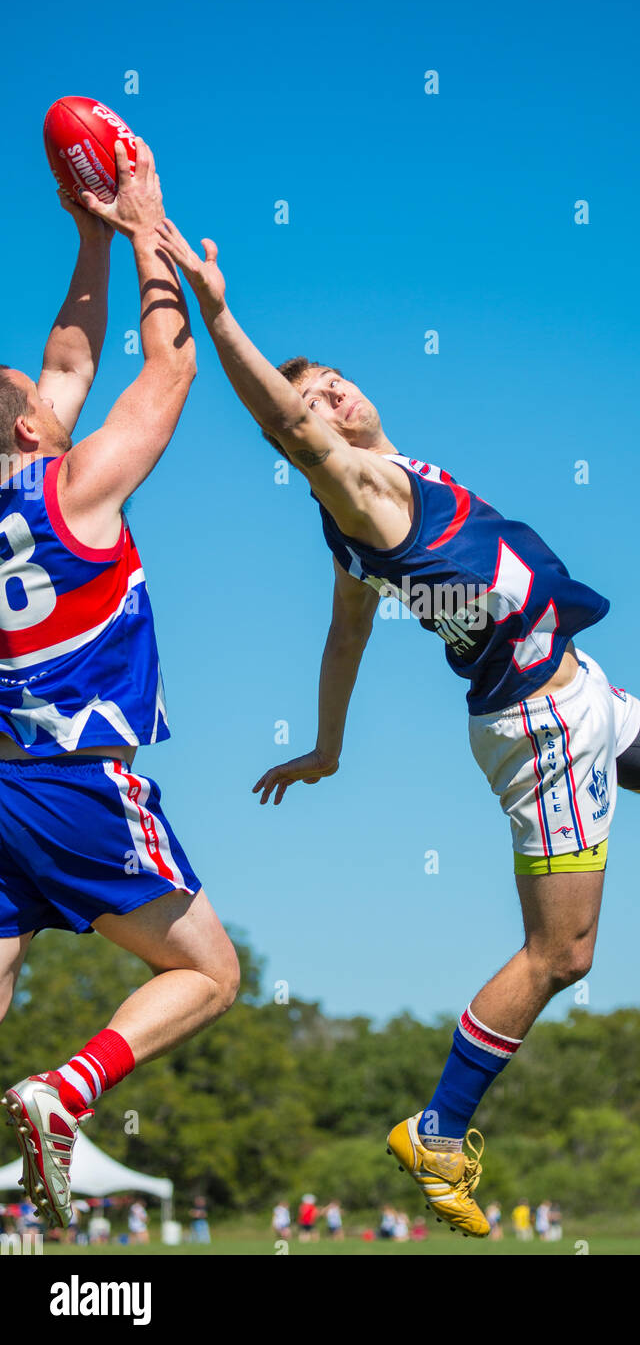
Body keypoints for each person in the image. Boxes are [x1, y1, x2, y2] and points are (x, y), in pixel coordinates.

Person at [155, 219, 640, 1241]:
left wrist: (327, 745)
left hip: (578, 696)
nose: (332, 396)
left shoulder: (384, 502)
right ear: (299, 438)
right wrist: (218, 314)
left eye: (337, 378)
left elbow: (344, 640)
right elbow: (294, 434)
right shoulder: (360, 495)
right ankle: (438, 1128)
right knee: (561, 955)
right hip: (542, 724)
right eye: (309, 399)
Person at [0, 145, 240, 1233]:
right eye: (33, 392)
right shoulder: (72, 491)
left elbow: (65, 359)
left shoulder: (22, 480)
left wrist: (86, 235)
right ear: (26, 432)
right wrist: (148, 226)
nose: (49, 377)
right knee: (208, 970)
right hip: (72, 785)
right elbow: (171, 368)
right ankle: (67, 1091)